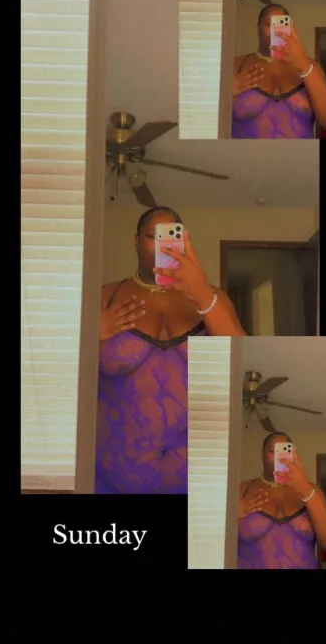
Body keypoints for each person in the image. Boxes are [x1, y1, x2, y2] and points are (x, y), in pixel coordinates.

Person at [96, 206, 246, 495]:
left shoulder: (212, 297)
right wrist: (89, 333)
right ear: (135, 241)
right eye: (152, 237)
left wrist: (202, 294)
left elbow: (238, 364)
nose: (162, 247)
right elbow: (52, 371)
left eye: (170, 238)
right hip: (108, 481)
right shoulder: (104, 297)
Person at [232, 4, 326, 138]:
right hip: (245, 152)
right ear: (258, 28)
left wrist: (305, 67)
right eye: (269, 25)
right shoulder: (237, 65)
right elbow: (209, 116)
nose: (275, 32)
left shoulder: (309, 65)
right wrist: (223, 92)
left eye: (281, 26)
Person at [238, 432, 326, 568]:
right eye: (272, 451)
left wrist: (305, 488)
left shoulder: (310, 490)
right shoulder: (243, 490)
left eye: (284, 452)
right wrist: (232, 515)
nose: (279, 458)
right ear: (262, 455)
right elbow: (214, 537)